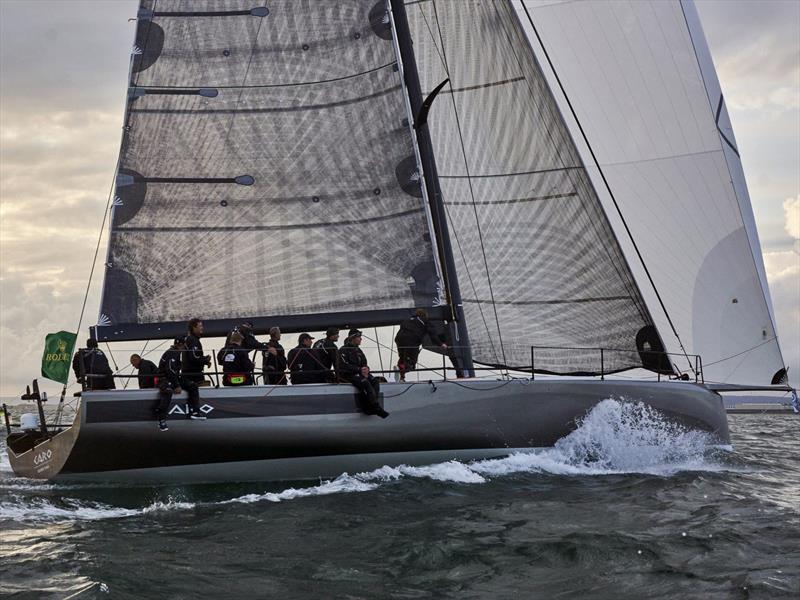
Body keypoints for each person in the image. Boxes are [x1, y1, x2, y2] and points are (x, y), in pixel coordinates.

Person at [155, 336, 206, 431]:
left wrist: (178, 382)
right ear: (179, 345)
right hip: (163, 378)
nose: (184, 349)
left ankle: (195, 411)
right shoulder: (172, 353)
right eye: (183, 347)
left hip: (174, 377)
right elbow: (169, 370)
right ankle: (161, 419)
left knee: (192, 385)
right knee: (168, 391)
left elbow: (174, 372)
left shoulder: (177, 353)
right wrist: (177, 385)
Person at [337, 329, 388, 418]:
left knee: (375, 381)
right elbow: (343, 366)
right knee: (365, 382)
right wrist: (359, 369)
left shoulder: (358, 350)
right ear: (352, 338)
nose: (361, 339)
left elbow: (364, 362)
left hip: (360, 373)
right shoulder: (343, 350)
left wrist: (366, 369)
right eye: (359, 337)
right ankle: (375, 407)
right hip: (349, 374)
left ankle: (371, 406)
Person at [394, 309, 447, 381]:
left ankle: (401, 377)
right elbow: (432, 334)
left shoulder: (407, 319)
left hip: (399, 339)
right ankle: (401, 368)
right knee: (411, 364)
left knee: (403, 358)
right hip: (411, 340)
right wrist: (440, 344)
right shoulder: (424, 321)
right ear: (424, 315)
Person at [183, 318, 211, 385]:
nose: (202, 328)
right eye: (200, 326)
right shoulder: (193, 340)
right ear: (194, 328)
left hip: (189, 373)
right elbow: (194, 357)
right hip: (193, 375)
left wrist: (204, 359)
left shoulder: (189, 339)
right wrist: (205, 360)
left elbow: (194, 356)